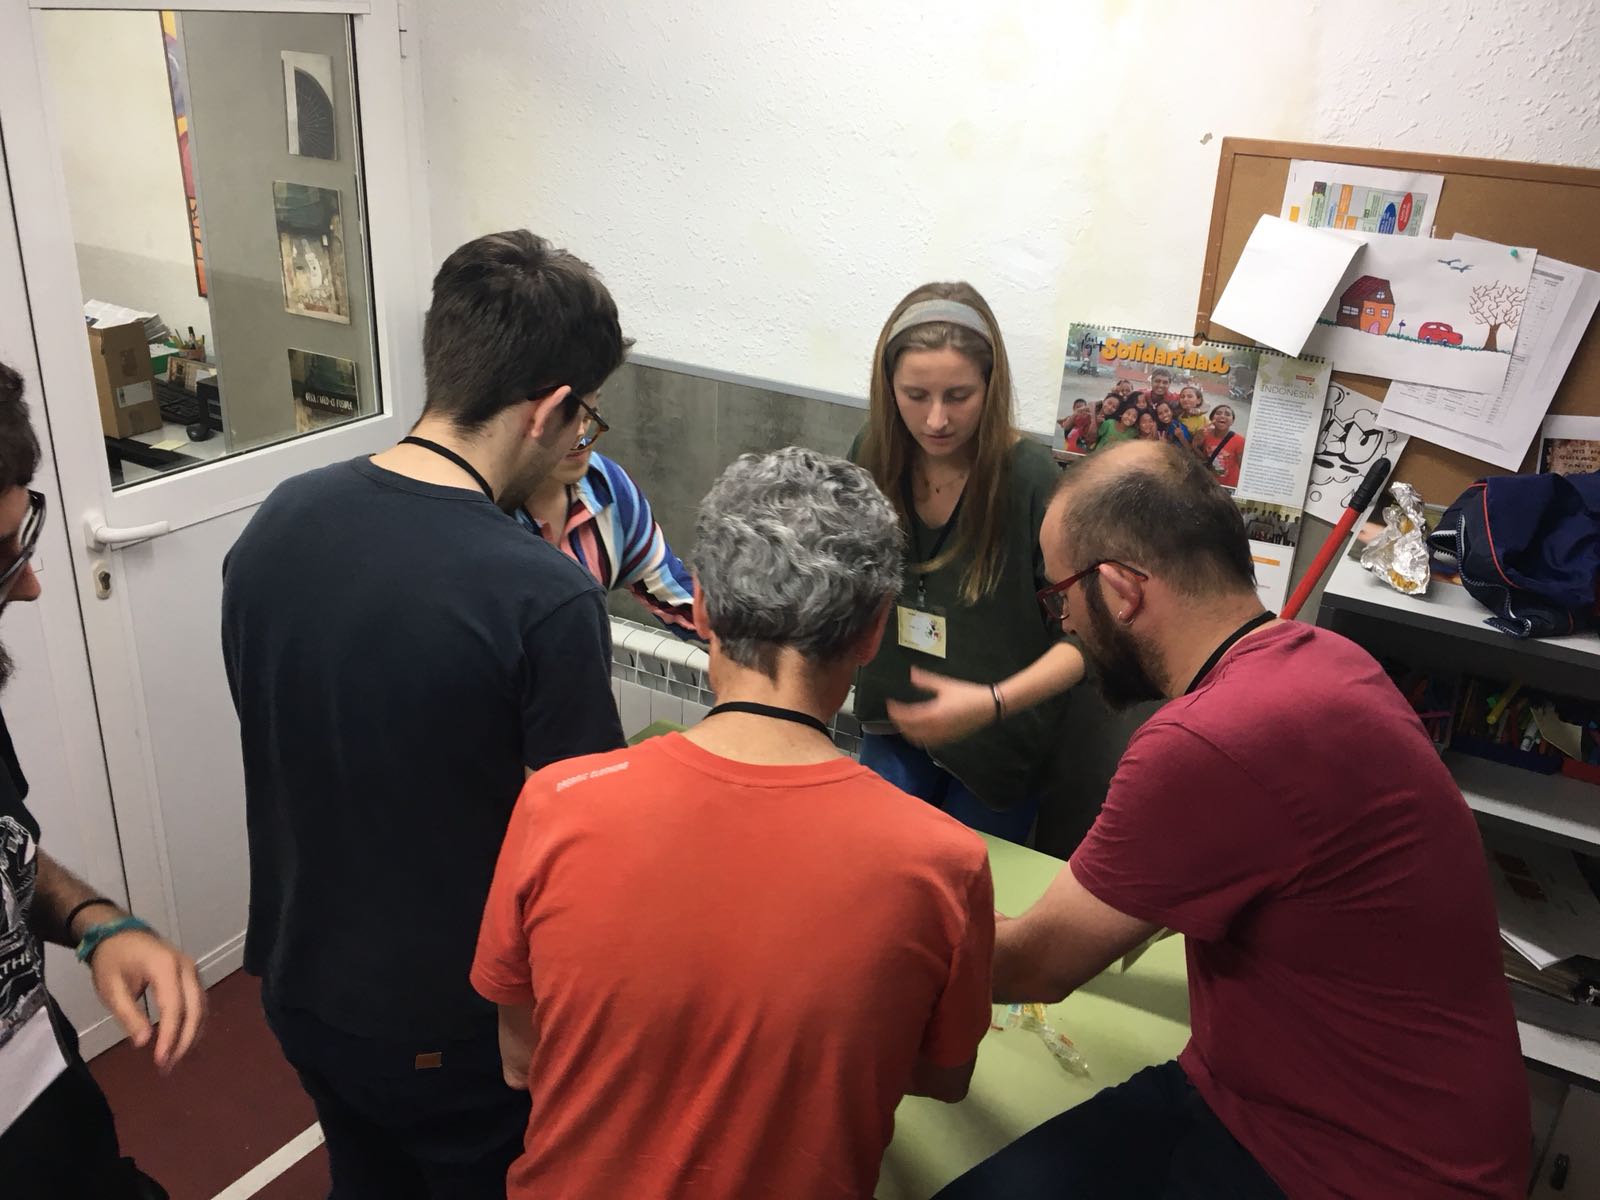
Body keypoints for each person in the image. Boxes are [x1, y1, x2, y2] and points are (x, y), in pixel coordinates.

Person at [936, 441, 1529, 1200]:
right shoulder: (1325, 658)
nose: (1069, 624)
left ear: (1119, 589)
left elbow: (1030, 966)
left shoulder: (1210, 739)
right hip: (1273, 1094)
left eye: (1061, 598)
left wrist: (876, 911)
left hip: (1360, 1167)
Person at [221, 230, 630, 1196]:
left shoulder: (279, 520)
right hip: (448, 1025)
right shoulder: (541, 597)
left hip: (298, 983)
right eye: (584, 422)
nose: (580, 448)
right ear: (551, 411)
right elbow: (583, 856)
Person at [472, 447, 995, 1199]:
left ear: (704, 607)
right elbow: (944, 1077)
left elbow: (522, 1060)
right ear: (874, 630)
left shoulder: (557, 803)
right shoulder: (945, 864)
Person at [0, 363, 205, 1198]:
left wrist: (95, 924)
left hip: (58, 1133)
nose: (31, 584)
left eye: (21, 541)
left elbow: (7, 852)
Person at [851, 282, 1084, 842]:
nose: (936, 420)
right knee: (876, 856)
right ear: (888, 389)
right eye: (915, 395)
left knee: (968, 874)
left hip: (996, 743)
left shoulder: (1031, 479)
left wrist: (992, 703)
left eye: (958, 396)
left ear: (991, 386)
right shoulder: (873, 453)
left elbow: (1090, 640)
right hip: (894, 722)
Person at [516, 444, 699, 638]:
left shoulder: (605, 483)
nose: (581, 433)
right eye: (563, 424)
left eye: (589, 420)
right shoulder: (495, 510)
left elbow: (671, 593)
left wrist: (721, 633)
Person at [1192, 404, 1245, 487]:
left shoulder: (1239, 441)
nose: (1222, 416)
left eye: (1227, 414)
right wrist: (1196, 440)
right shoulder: (1205, 434)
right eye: (1218, 413)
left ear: (1232, 421)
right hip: (1210, 482)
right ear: (1212, 418)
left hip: (1229, 485)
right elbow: (1204, 457)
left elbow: (1243, 466)